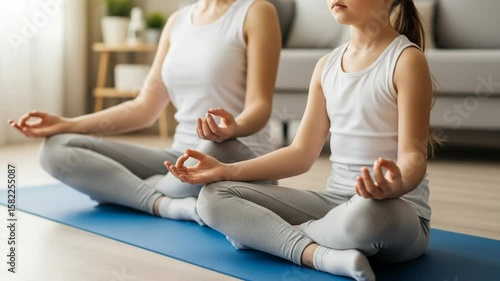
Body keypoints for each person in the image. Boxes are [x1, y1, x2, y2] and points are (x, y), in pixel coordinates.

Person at [164, 0, 440, 280]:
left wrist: (394, 185)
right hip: (334, 203)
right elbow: (300, 152)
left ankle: (269, 236)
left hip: (394, 212)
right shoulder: (326, 66)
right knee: (213, 198)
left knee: (365, 216)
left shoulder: (406, 60)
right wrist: (227, 170)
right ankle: (317, 255)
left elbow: (412, 160)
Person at [7, 0, 281, 225]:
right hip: (180, 159)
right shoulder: (178, 21)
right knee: (56, 150)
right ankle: (162, 203)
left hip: (231, 155)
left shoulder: (256, 12)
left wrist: (232, 129)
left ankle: (122, 190)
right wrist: (66, 123)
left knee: (212, 145)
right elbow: (144, 108)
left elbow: (260, 106)